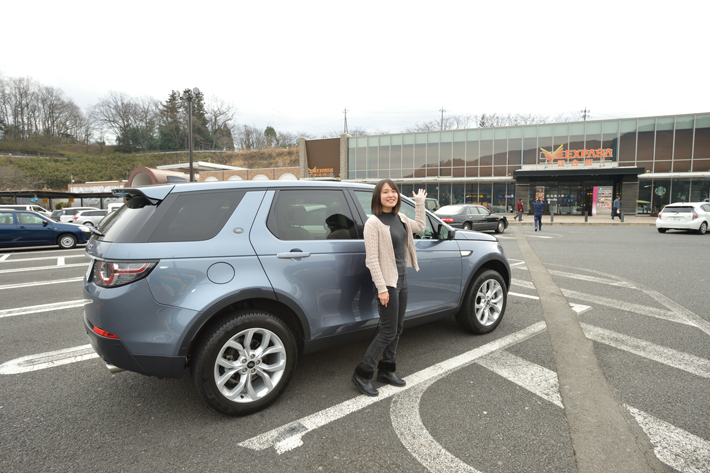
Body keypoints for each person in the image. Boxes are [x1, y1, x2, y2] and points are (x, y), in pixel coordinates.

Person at [351, 179, 426, 397]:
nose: (391, 195)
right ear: (378, 197)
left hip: (402, 280)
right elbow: (372, 260)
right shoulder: (373, 223)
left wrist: (419, 202)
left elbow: (420, 227)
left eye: (393, 191)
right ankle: (363, 373)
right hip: (388, 283)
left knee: (398, 327)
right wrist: (382, 288)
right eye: (386, 192)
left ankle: (386, 370)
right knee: (387, 330)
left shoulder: (400, 218)